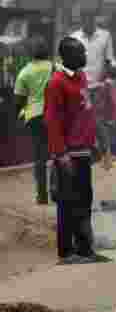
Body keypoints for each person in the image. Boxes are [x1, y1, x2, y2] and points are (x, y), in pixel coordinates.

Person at [45, 36, 108, 264]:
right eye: (80, 53)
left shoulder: (81, 77)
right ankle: (66, 252)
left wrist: (95, 144)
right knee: (67, 203)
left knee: (83, 201)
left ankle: (85, 249)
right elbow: (52, 122)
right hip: (68, 155)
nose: (85, 56)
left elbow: (85, 113)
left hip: (83, 152)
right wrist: (61, 154)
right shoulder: (56, 83)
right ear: (68, 56)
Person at [71, 8, 116, 170]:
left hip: (98, 86)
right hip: (80, 87)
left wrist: (115, 69)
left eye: (90, 18)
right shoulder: (74, 37)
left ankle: (106, 156)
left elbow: (109, 59)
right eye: (84, 18)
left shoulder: (105, 35)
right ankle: (86, 154)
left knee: (98, 121)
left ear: (94, 19)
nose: (87, 21)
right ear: (81, 20)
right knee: (81, 121)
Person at [14, 36, 54, 205]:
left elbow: (19, 101)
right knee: (58, 153)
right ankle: (57, 190)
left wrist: (22, 113)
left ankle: (42, 195)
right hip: (54, 114)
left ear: (31, 53)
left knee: (39, 156)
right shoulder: (55, 67)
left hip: (35, 116)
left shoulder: (24, 72)